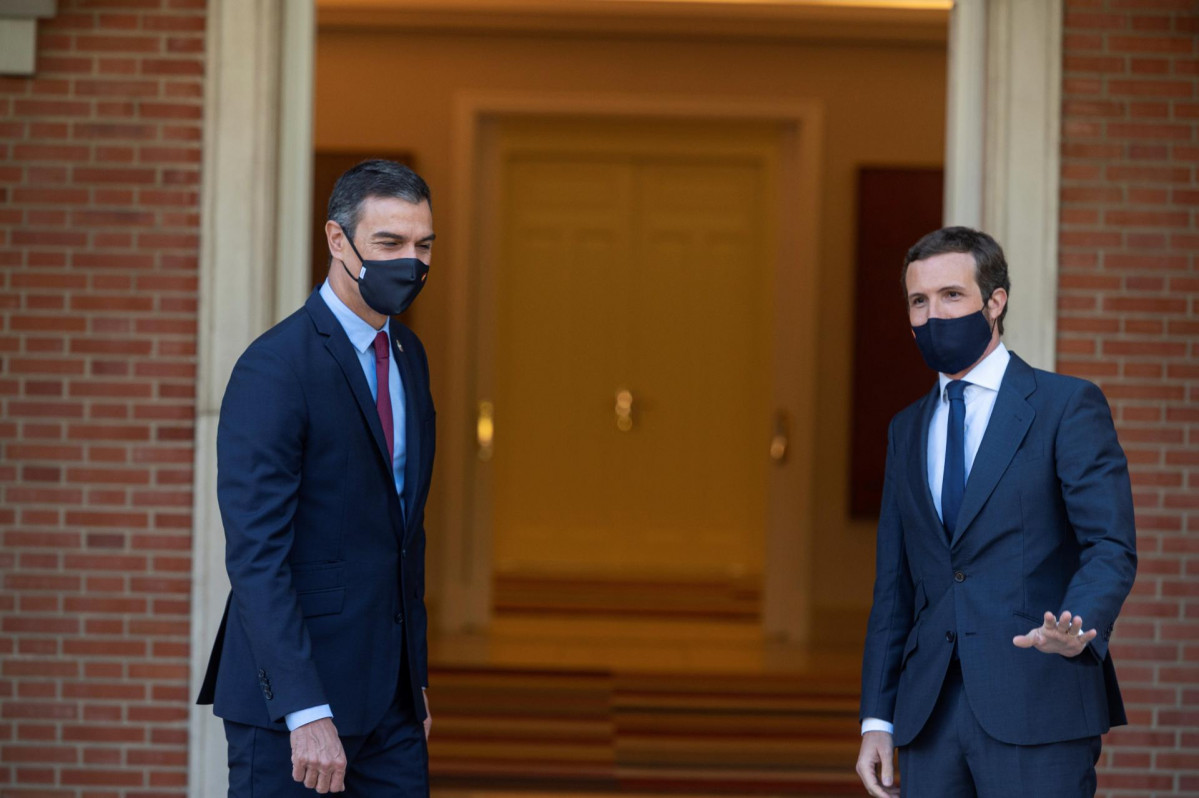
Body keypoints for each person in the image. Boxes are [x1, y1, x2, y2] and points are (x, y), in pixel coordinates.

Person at [855, 227, 1137, 797]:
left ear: (995, 301)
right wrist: (877, 720)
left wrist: (1078, 626)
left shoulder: (1066, 406)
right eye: (919, 301)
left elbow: (1110, 545)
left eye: (951, 296)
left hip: (1040, 702)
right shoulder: (906, 429)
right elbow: (894, 587)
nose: (933, 314)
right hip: (928, 717)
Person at [197, 159, 438, 795]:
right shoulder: (275, 367)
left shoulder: (409, 358)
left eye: (423, 245)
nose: (410, 262)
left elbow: (401, 536)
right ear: (338, 241)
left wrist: (413, 683)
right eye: (389, 243)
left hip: (390, 708)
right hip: (294, 716)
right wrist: (305, 712)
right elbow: (257, 556)